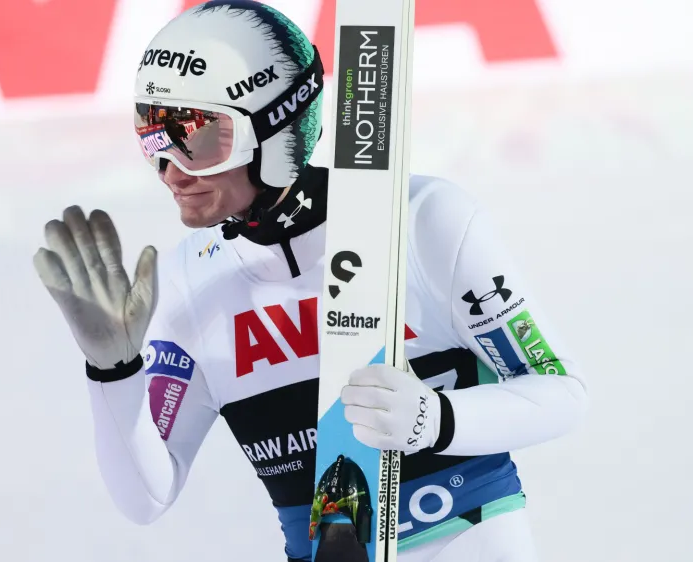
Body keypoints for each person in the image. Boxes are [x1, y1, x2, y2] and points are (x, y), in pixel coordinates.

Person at [33, 1, 588, 561]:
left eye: (196, 140)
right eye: (152, 137)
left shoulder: (424, 219)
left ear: (276, 129)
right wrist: (113, 372)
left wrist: (436, 421)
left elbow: (562, 392)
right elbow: (146, 498)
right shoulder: (185, 283)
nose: (172, 172)